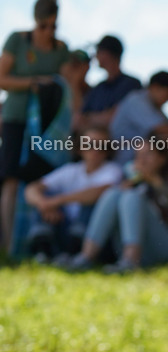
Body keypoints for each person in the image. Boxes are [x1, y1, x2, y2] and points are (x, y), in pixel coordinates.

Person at [62, 136, 168, 272]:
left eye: (148, 154)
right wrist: (127, 186)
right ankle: (86, 257)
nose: (142, 160)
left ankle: (131, 261)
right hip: (142, 250)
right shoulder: (134, 180)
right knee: (113, 193)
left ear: (162, 158)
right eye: (138, 155)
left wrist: (154, 181)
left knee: (132, 196)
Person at [0, 0, 69, 251]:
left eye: (53, 26)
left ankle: (39, 244)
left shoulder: (61, 49)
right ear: (35, 21)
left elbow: (66, 85)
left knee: (42, 180)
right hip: (16, 118)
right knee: (11, 179)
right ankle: (9, 245)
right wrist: (33, 82)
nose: (49, 31)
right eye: (43, 26)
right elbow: (2, 78)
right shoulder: (17, 40)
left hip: (47, 126)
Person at [23, 127, 121, 259]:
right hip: (65, 228)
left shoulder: (113, 170)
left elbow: (97, 192)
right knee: (45, 194)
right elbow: (31, 189)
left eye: (102, 146)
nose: (96, 150)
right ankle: (42, 251)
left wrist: (57, 201)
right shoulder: (70, 170)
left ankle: (76, 253)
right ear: (80, 147)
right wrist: (44, 204)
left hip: (93, 236)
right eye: (89, 145)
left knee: (91, 202)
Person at [109, 71, 168, 164]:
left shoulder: (154, 106)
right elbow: (162, 129)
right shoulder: (136, 100)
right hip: (123, 162)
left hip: (137, 160)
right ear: (155, 87)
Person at [79, 35, 142, 130]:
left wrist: (90, 118)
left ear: (107, 54)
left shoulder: (131, 84)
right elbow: (79, 118)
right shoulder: (98, 88)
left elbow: (116, 117)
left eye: (98, 51)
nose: (96, 56)